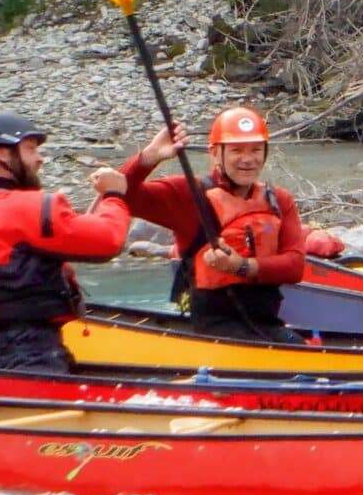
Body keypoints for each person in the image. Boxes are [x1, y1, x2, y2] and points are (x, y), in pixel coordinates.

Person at [0, 110, 130, 372]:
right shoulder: (24, 207)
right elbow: (107, 240)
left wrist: (147, 158)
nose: (39, 158)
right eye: (30, 148)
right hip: (33, 355)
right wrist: (114, 195)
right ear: (2, 154)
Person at [121, 105, 307, 341]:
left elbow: (295, 266)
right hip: (213, 330)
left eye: (256, 150)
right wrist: (149, 157)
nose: (248, 159)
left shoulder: (278, 200)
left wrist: (241, 266)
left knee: (299, 347)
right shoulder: (188, 194)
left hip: (266, 324)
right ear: (215, 153)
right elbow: (120, 193)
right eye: (236, 150)